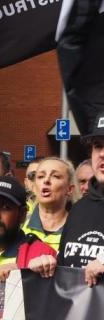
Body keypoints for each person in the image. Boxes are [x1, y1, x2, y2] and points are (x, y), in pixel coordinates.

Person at [55, 113, 104, 286]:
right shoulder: (79, 209)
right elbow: (64, 265)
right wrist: (47, 265)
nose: (102, 154)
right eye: (98, 146)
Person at [21, 157, 75, 251]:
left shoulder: (78, 227)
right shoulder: (19, 223)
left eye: (56, 176)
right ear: (33, 187)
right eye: (41, 176)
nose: (46, 180)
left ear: (69, 189)